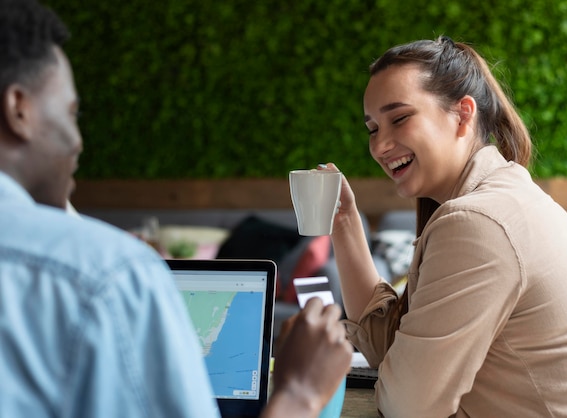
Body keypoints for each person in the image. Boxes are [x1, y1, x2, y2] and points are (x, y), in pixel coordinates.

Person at [0, 0, 352, 417]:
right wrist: (300, 393)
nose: (77, 141)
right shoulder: (108, 275)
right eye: (71, 112)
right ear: (18, 109)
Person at [321, 36, 567, 417]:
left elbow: (407, 406)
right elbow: (394, 353)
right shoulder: (498, 195)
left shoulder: (477, 222)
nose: (380, 145)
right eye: (372, 128)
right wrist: (346, 223)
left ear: (463, 114)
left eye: (399, 118)